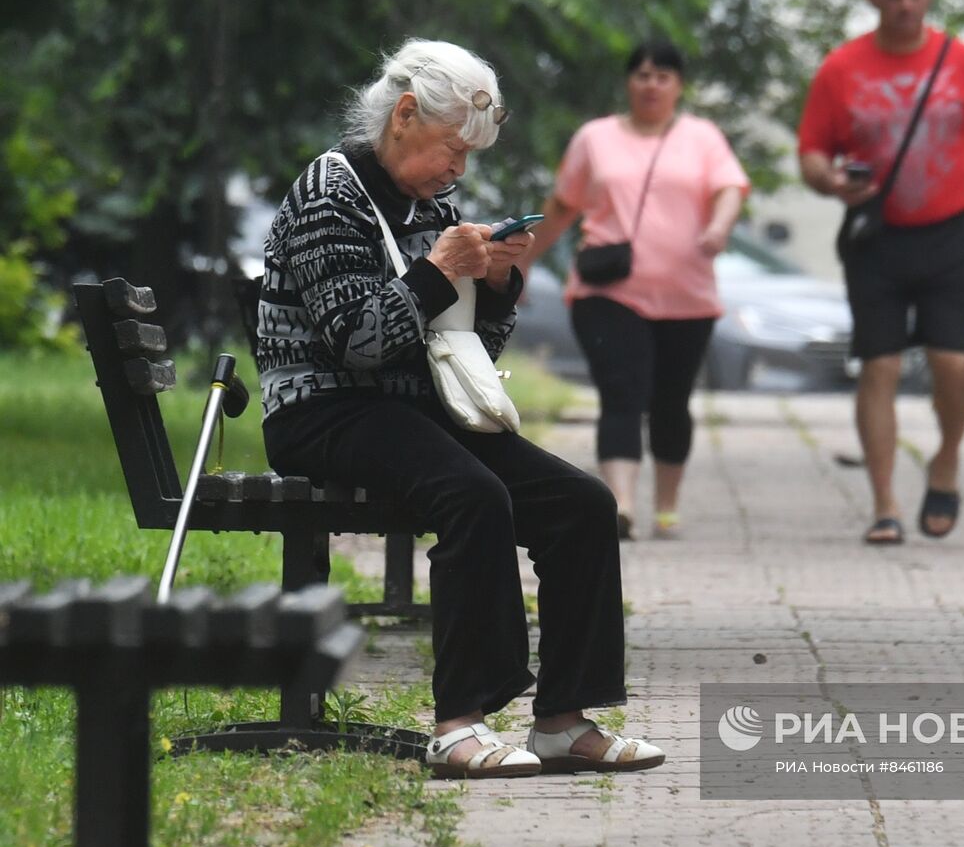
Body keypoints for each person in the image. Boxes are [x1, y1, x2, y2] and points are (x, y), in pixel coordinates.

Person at [256, 38, 664, 778]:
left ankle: (564, 721)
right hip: (323, 409)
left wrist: (497, 284)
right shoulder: (329, 192)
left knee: (582, 502)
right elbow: (357, 343)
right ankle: (458, 725)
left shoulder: (431, 202)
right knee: (472, 494)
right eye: (452, 148)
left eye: (469, 156)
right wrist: (440, 271)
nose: (459, 170)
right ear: (404, 115)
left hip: (415, 409)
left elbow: (465, 342)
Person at [796, 0, 964, 545]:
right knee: (881, 366)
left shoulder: (963, 64)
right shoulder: (842, 67)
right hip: (877, 239)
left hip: (949, 233)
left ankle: (945, 460)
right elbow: (812, 153)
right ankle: (885, 504)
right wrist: (831, 182)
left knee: (953, 366)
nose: (905, 5)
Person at [520, 40, 749, 541]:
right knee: (622, 393)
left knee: (670, 401)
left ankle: (667, 506)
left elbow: (730, 187)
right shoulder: (595, 138)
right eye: (642, 75)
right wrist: (521, 265)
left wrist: (719, 226)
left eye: (663, 76)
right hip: (608, 293)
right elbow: (562, 206)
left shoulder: (702, 137)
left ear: (678, 86)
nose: (651, 84)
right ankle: (620, 503)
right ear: (628, 83)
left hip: (687, 298)